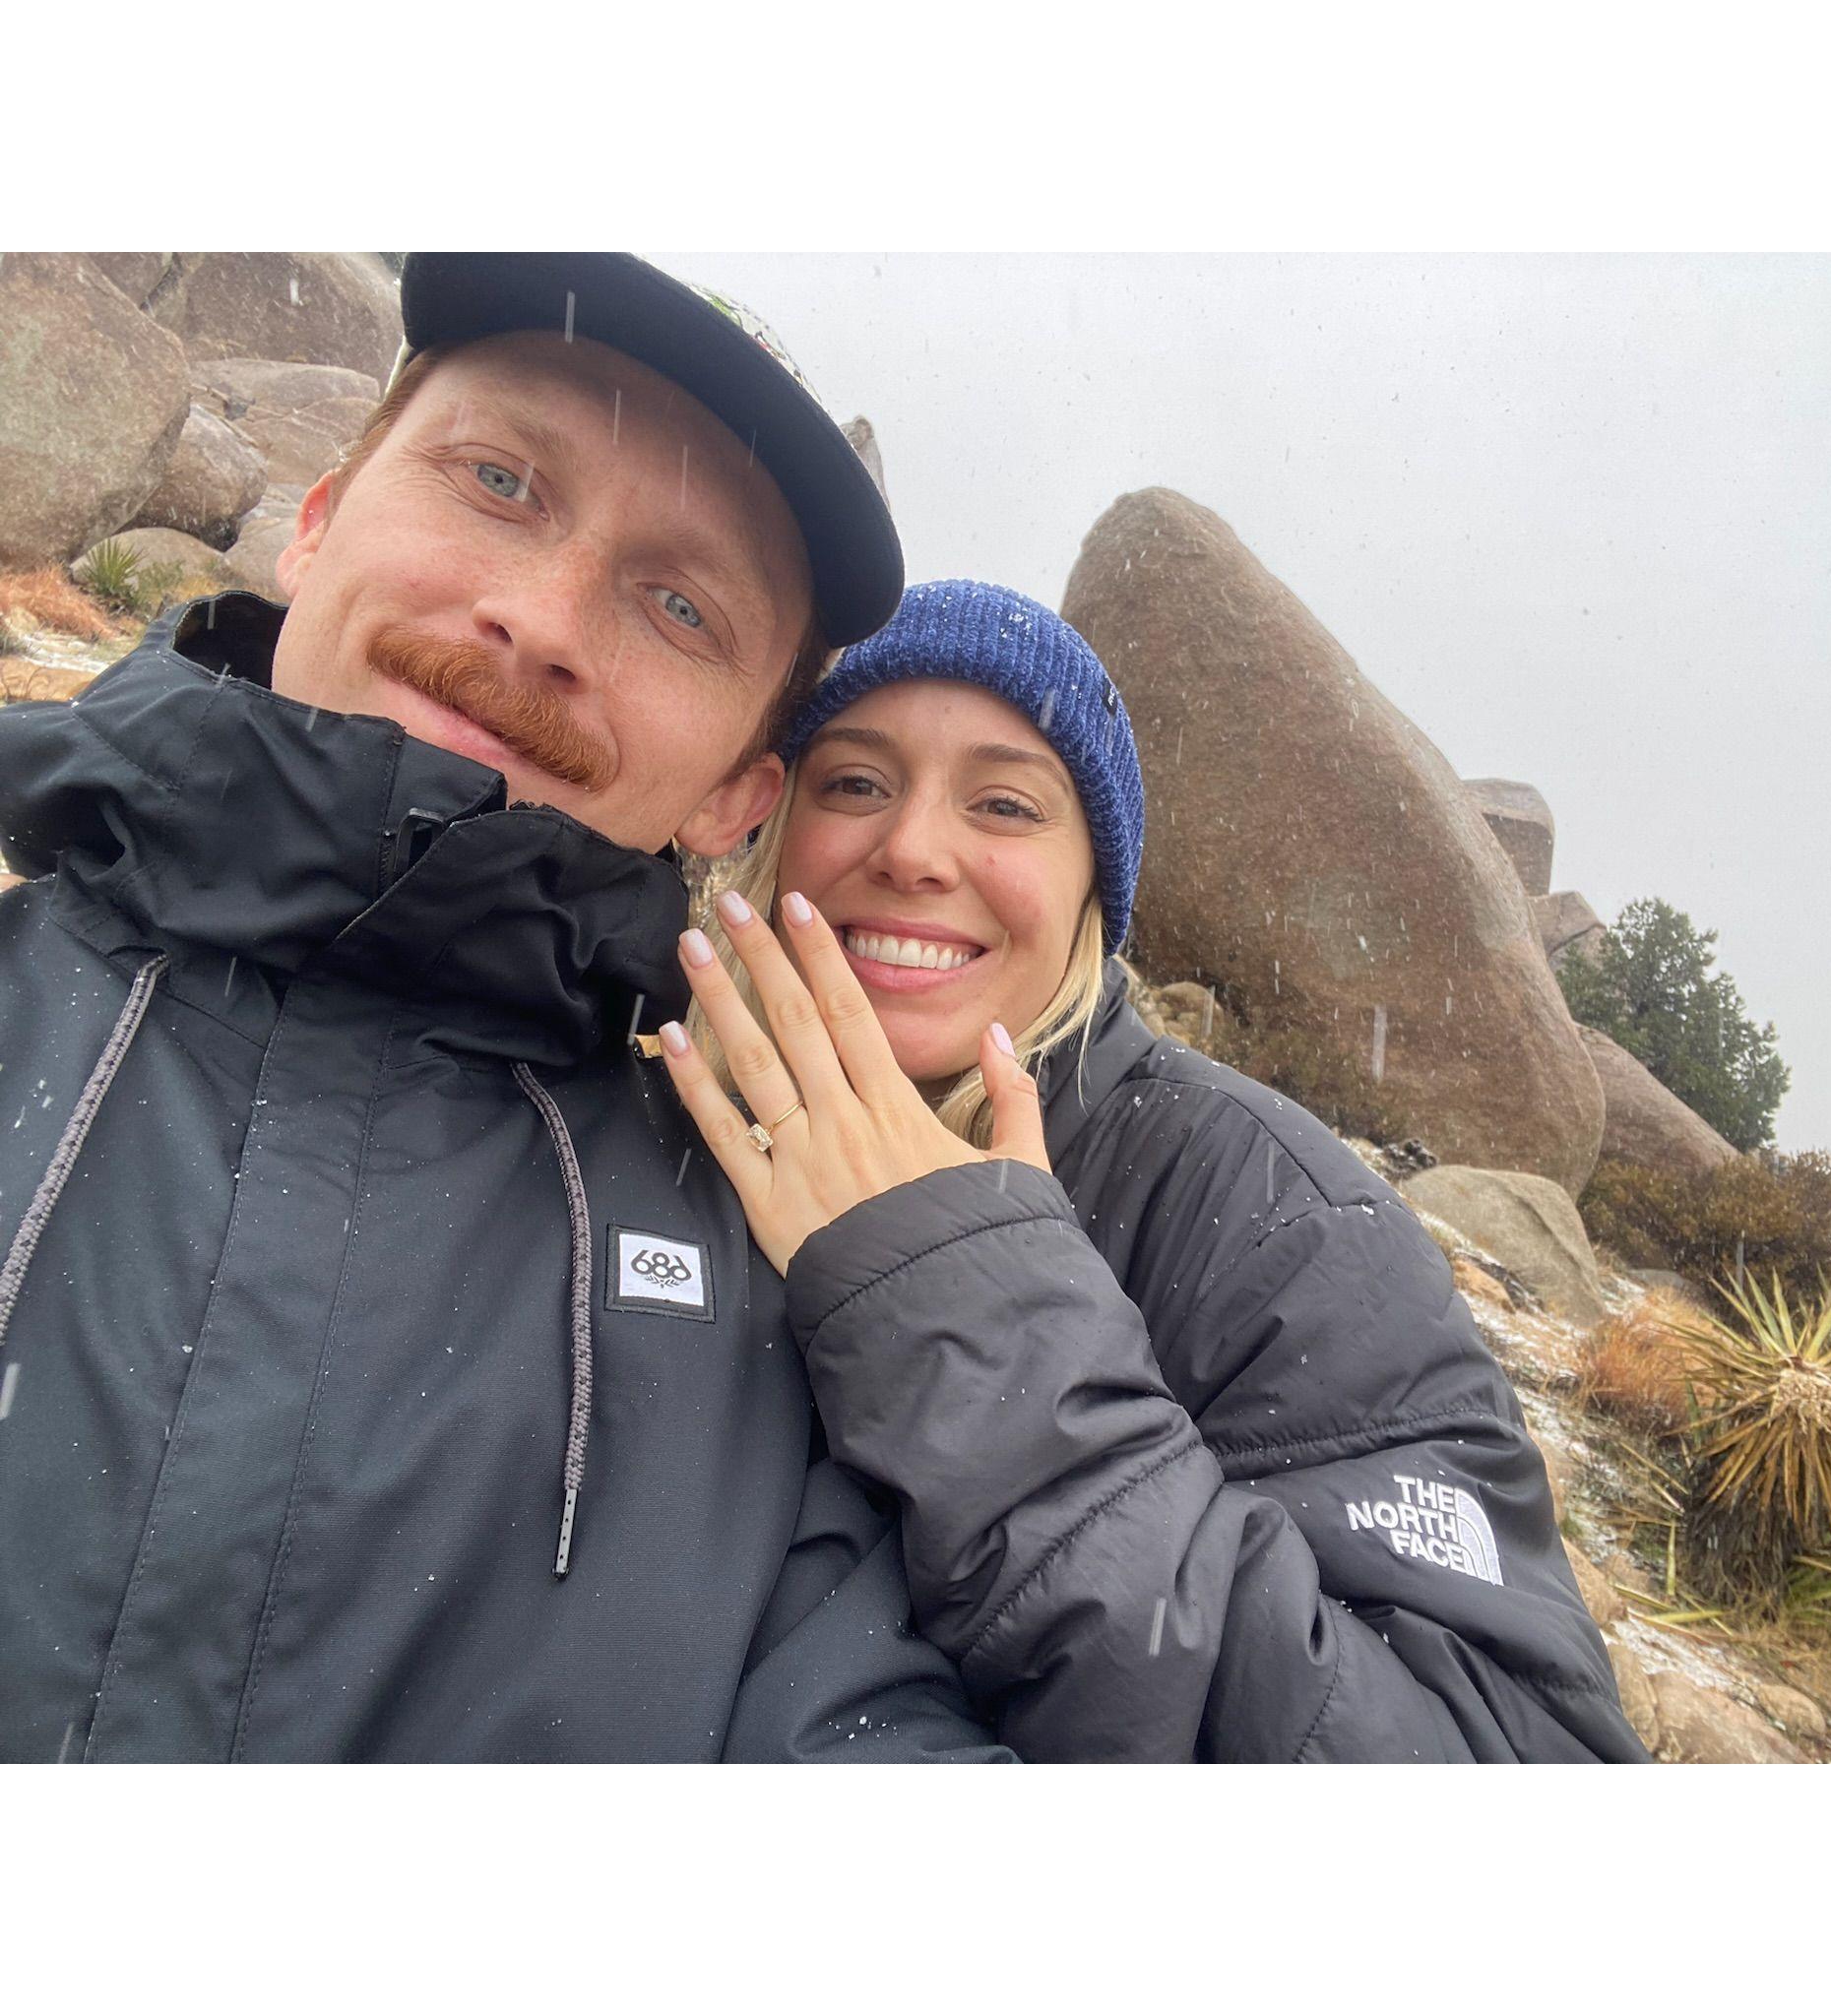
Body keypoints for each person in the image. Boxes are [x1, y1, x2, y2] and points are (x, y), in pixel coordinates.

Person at [0, 254, 1010, 1762]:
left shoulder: (773, 1320)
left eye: (678, 605)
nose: (539, 620)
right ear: (321, 516)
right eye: (499, 481)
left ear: (739, 793)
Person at [660, 577, 1648, 1761]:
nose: (913, 848)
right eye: (856, 783)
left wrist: (982, 1330)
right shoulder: (649, 1115)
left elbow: (1509, 1753)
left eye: (1006, 804)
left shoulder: (1276, 1217)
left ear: (1094, 883)